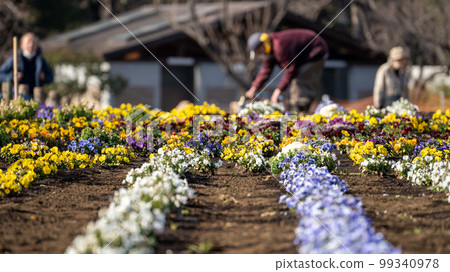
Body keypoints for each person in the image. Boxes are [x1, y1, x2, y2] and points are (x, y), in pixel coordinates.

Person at [244, 29, 328, 112]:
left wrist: (277, 91)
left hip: (316, 49)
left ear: (263, 45)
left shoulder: (280, 47)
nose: (260, 54)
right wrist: (253, 88)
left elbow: (290, 71)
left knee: (300, 79)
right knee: (296, 79)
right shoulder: (270, 48)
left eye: (259, 52)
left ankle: (301, 109)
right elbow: (265, 70)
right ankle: (297, 107)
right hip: (304, 55)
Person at [0, 32, 53, 100]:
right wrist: (12, 77)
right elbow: (1, 73)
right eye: (28, 42)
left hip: (36, 97)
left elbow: (51, 76)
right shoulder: (15, 58)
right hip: (17, 96)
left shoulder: (40, 60)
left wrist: (44, 77)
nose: (31, 45)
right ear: (22, 45)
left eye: (33, 42)